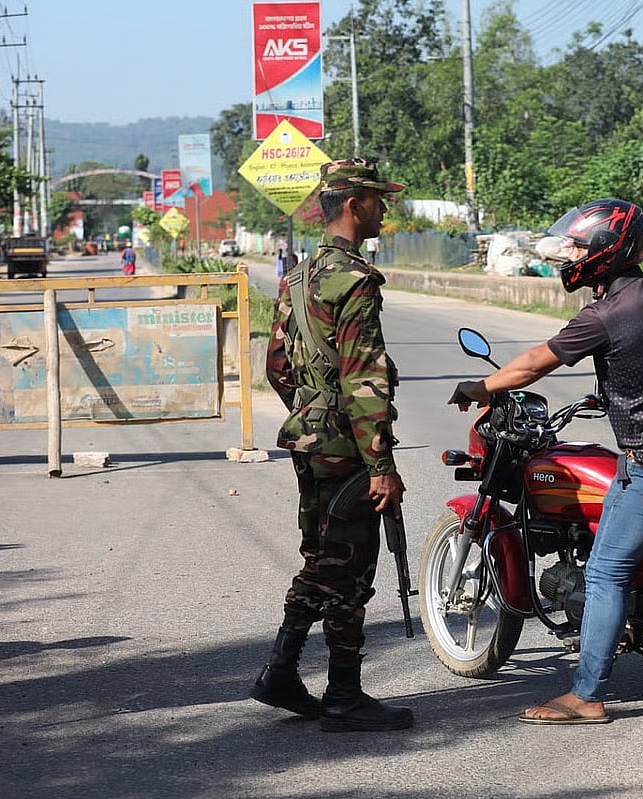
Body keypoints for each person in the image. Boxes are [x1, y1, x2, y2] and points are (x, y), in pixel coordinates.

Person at [448, 199, 643, 724]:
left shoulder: (603, 315)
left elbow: (534, 363)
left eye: (577, 246)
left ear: (604, 252)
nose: (568, 255)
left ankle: (587, 694)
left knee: (604, 570)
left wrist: (480, 386)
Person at [251, 157, 413, 733]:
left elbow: (275, 364)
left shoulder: (297, 276)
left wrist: (311, 409)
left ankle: (282, 668)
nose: (383, 208)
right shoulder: (354, 279)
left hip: (310, 436)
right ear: (354, 204)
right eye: (377, 199)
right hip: (346, 446)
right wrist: (380, 464)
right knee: (348, 567)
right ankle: (343, 693)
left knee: (322, 557)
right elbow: (364, 377)